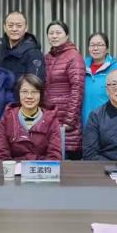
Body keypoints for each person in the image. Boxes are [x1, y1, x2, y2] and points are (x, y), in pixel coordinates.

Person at [42, 20, 85, 158]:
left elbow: (77, 89)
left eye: (58, 33)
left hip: (66, 121)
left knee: (66, 163)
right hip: (50, 118)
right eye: (51, 33)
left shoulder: (73, 56)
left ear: (66, 35)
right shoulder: (47, 57)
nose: (54, 36)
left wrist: (69, 121)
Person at [0, 74, 63, 161]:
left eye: (34, 92)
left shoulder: (51, 120)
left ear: (41, 94)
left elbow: (54, 157)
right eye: (24, 91)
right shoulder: (8, 118)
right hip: (14, 169)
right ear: (18, 94)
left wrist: (29, 165)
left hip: (42, 169)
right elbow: (2, 155)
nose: (29, 96)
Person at [0, 10, 46, 86]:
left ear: (26, 28)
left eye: (19, 26)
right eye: (10, 26)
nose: (14, 29)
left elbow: (35, 84)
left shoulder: (34, 53)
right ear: (4, 27)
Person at [82, 31, 117, 127]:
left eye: (100, 45)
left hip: (108, 123)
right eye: (92, 45)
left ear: (107, 49)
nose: (95, 48)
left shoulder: (116, 69)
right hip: (85, 122)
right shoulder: (81, 67)